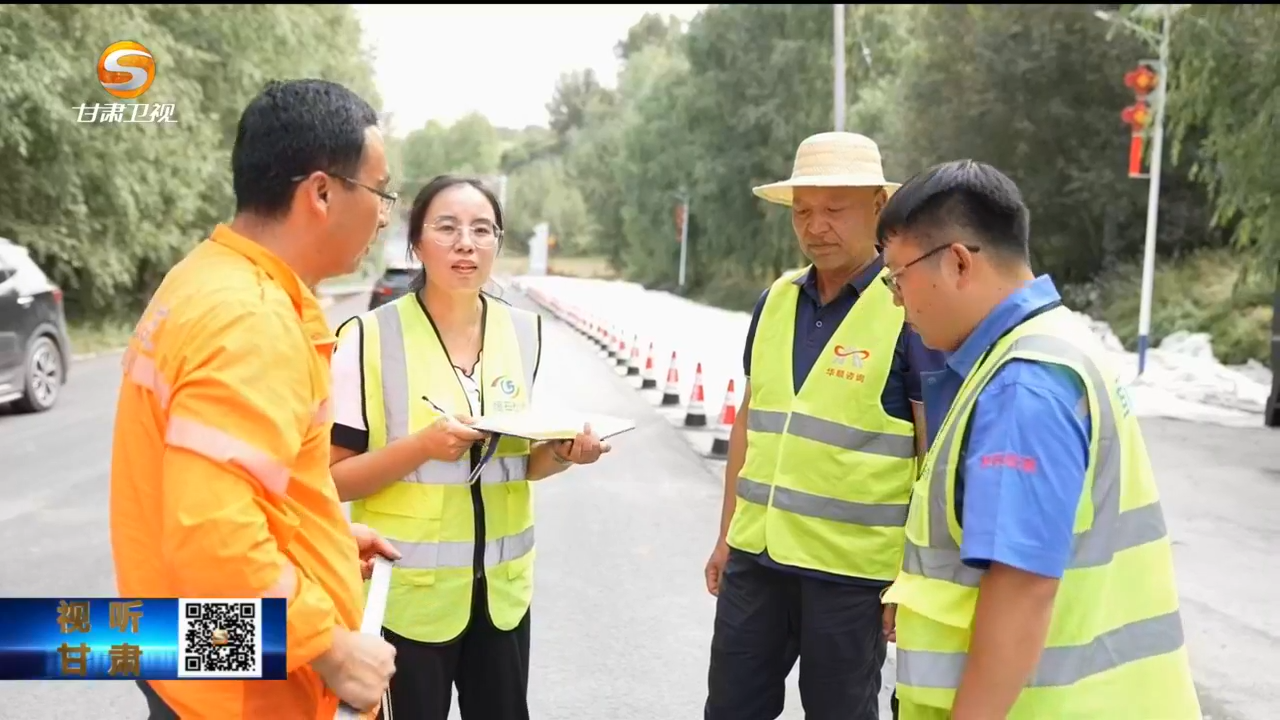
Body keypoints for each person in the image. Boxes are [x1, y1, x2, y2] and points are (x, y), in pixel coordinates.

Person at [109, 78, 404, 719]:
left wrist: (321, 539)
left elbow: (223, 486)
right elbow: (212, 535)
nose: (384, 218)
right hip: (244, 695)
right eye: (381, 194)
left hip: (183, 655)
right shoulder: (250, 319)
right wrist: (328, 646)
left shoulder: (204, 276)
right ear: (322, 192)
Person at [876, 159, 1202, 719]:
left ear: (956, 262)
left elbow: (1022, 591)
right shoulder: (1052, 346)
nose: (896, 301)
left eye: (897, 278)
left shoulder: (1024, 385)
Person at [328, 174, 611, 720]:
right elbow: (333, 480)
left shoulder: (524, 332)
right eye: (448, 228)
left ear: (498, 243)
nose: (466, 243)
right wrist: (422, 447)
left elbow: (520, 465)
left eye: (483, 230)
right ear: (417, 242)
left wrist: (564, 455)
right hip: (409, 600)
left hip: (501, 602)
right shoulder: (366, 338)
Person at [703, 131, 946, 720]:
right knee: (730, 709)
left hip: (852, 578)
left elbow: (931, 453)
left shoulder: (907, 307)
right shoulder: (776, 300)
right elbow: (750, 425)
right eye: (804, 212)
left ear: (878, 209)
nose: (816, 226)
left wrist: (915, 577)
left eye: (835, 210)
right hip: (756, 562)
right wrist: (726, 534)